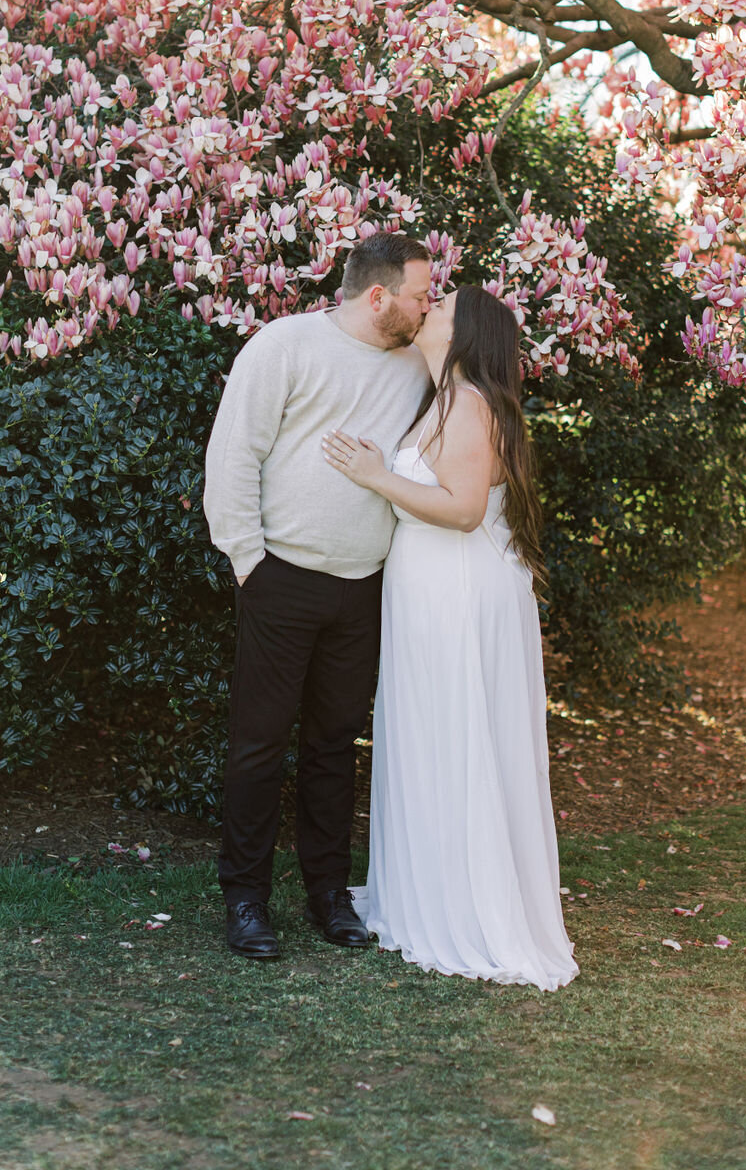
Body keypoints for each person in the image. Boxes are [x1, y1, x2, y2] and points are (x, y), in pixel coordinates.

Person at [322, 284, 579, 991]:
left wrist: (375, 476)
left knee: (457, 737)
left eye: (440, 309)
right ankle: (423, 894)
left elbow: (464, 510)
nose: (426, 311)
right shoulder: (443, 397)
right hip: (430, 591)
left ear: (465, 334)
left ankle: (466, 909)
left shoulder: (469, 404)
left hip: (459, 592)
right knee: (432, 737)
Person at [204, 232, 432, 959]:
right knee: (259, 747)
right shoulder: (284, 346)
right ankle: (246, 900)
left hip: (364, 589)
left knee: (335, 747)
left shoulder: (414, 365)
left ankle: (330, 896)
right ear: (378, 296)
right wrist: (250, 563)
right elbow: (233, 452)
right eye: (421, 295)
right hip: (281, 581)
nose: (430, 306)